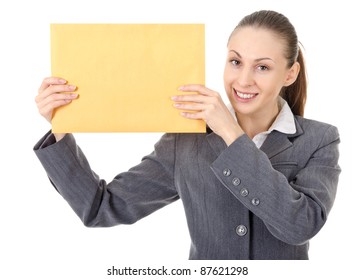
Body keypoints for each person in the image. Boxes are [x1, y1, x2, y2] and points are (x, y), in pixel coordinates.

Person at [34, 10, 340, 260]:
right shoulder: (187, 139)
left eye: (262, 67)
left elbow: (300, 225)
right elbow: (101, 208)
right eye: (235, 62)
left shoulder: (319, 140)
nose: (243, 80)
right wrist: (61, 127)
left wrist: (231, 132)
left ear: (290, 73)